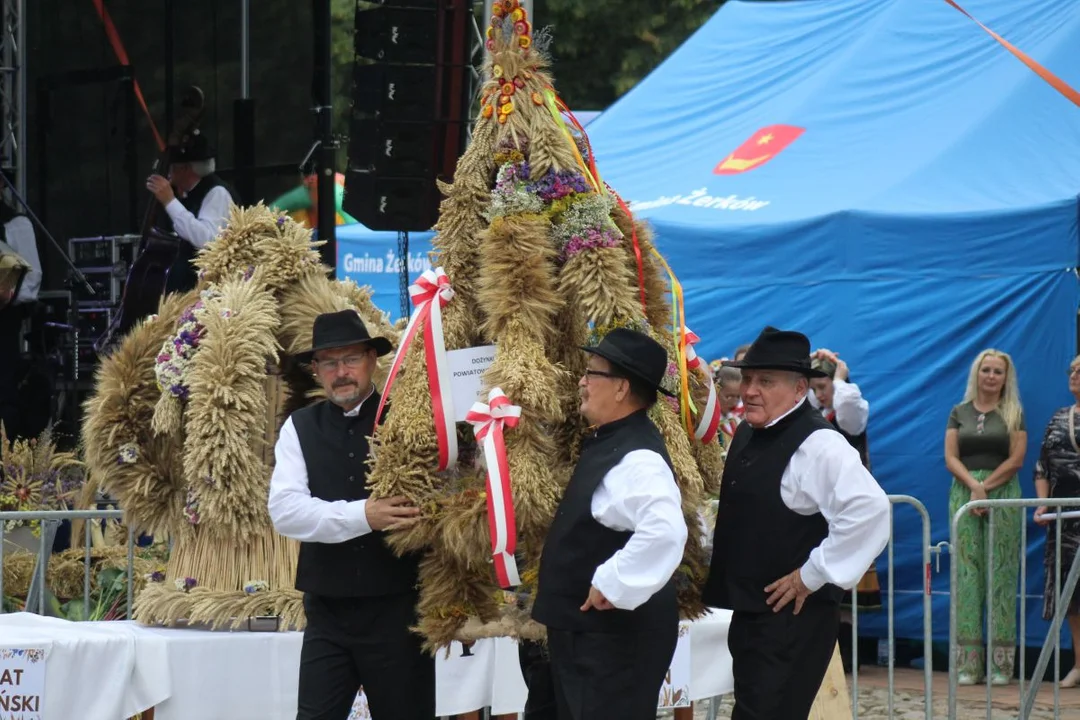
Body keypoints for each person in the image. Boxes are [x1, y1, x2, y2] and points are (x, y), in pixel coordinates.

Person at [702, 326, 890, 720]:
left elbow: (870, 511)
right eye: (749, 379)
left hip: (792, 622)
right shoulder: (750, 433)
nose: (751, 389)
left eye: (765, 381)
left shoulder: (819, 443)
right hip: (753, 613)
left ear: (799, 387)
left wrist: (813, 574)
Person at [267, 309, 433, 720]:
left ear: (372, 361)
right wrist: (365, 515)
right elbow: (285, 512)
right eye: (329, 362)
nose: (341, 372)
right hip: (327, 612)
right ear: (316, 369)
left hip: (399, 610)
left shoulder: (409, 421)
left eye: (351, 359)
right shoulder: (299, 427)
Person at [531, 328, 688, 720]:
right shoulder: (613, 441)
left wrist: (613, 581)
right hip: (592, 642)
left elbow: (666, 530)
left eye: (591, 373)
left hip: (612, 647)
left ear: (620, 389)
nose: (582, 382)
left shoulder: (639, 458)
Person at [945, 348, 1025, 686]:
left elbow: (1016, 458)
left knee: (1001, 575)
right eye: (986, 370)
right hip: (965, 492)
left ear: (1006, 378)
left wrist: (985, 488)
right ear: (976, 374)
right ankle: (968, 665)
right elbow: (950, 456)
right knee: (967, 575)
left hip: (1002, 494)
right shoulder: (958, 412)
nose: (991, 376)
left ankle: (1001, 665)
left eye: (997, 372)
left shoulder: (1013, 413)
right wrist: (973, 488)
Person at [809, 349, 880, 670]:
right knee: (820, 580)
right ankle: (821, 655)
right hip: (817, 511)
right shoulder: (813, 415)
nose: (819, 393)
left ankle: (846, 659)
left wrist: (839, 377)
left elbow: (848, 408)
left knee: (844, 583)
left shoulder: (850, 413)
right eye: (814, 387)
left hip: (845, 511)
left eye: (823, 387)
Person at [1034, 355, 1080, 688]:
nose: (1075, 374)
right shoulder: (1058, 417)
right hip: (1064, 520)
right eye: (1073, 370)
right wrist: (1042, 505)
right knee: (1072, 597)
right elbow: (1043, 466)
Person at [145, 130, 239, 293]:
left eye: (173, 167)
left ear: (186, 169)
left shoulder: (217, 193)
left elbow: (207, 239)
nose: (169, 173)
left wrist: (170, 202)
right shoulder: (190, 194)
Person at [0, 201, 41, 439]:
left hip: (4, 319)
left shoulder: (15, 224)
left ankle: (5, 461)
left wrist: (7, 293)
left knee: (3, 390)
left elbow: (32, 277)